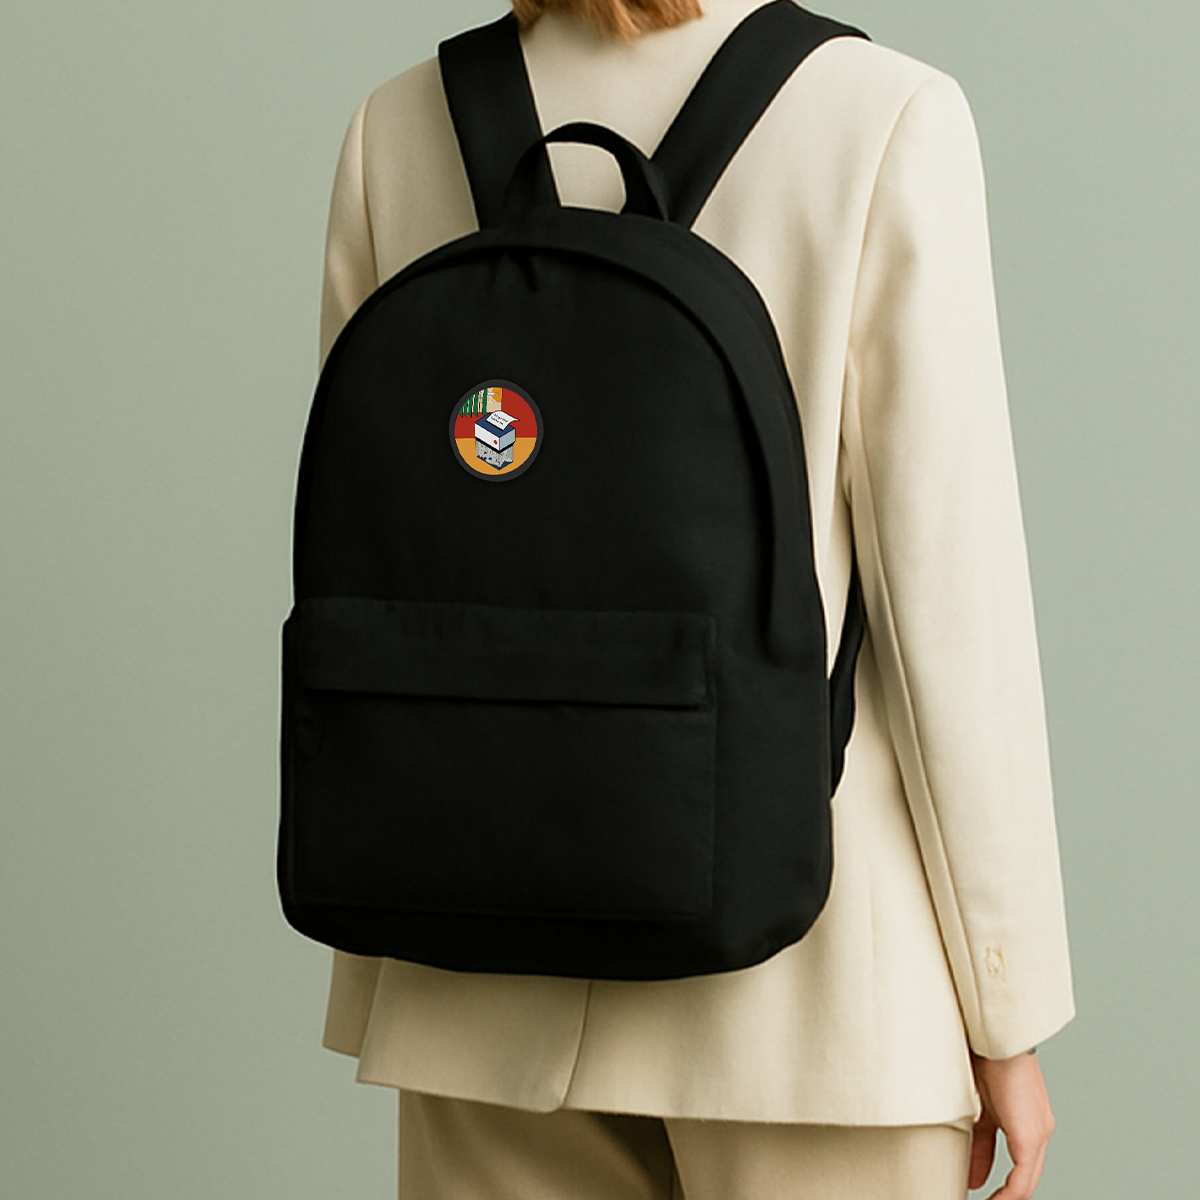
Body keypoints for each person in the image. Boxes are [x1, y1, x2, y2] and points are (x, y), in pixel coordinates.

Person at [312, 1, 1075, 1196]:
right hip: (811, 1002)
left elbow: (379, 555)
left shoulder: (400, 124)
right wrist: (1003, 1006)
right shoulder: (883, 116)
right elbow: (949, 609)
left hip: (472, 978)